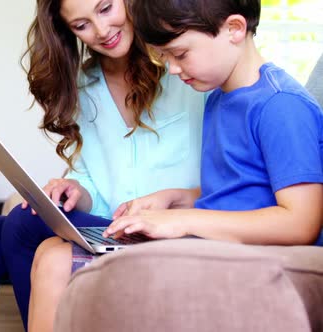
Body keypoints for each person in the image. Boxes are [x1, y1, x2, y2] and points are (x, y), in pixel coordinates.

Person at [28, 0, 323, 330]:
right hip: (211, 245)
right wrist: (175, 198)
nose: (171, 69)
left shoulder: (280, 105)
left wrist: (183, 220)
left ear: (235, 30)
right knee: (50, 249)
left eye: (180, 55)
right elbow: (242, 193)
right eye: (164, 57)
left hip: (241, 255)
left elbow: (302, 222)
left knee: (57, 261)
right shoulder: (221, 100)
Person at [0, 0, 207, 329]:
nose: (102, 31)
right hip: (110, 225)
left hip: (165, 227)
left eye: (105, 9)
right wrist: (74, 188)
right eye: (81, 25)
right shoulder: (83, 85)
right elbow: (91, 176)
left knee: (20, 223)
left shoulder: (184, 65)